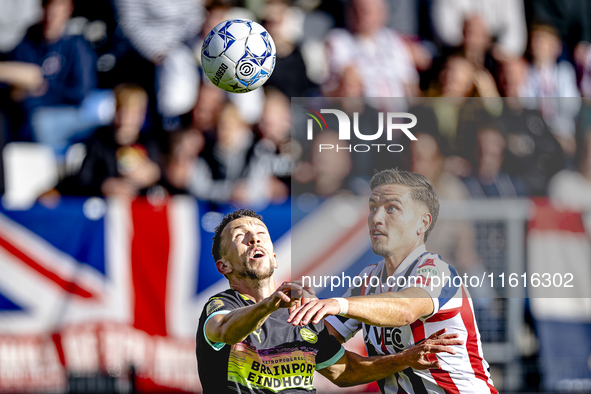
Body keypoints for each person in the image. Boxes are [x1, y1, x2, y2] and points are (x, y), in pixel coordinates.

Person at [196, 209, 464, 393]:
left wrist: (405, 358)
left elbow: (346, 371)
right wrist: (269, 305)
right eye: (240, 236)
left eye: (261, 233)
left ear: (275, 258)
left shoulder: (301, 314)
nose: (253, 237)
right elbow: (226, 331)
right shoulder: (222, 307)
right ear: (224, 266)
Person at [288, 169, 498, 393]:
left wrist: (337, 303)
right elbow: (340, 370)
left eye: (391, 208)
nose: (376, 218)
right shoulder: (366, 281)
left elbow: (406, 309)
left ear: (423, 222)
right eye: (372, 208)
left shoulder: (437, 270)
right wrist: (306, 316)